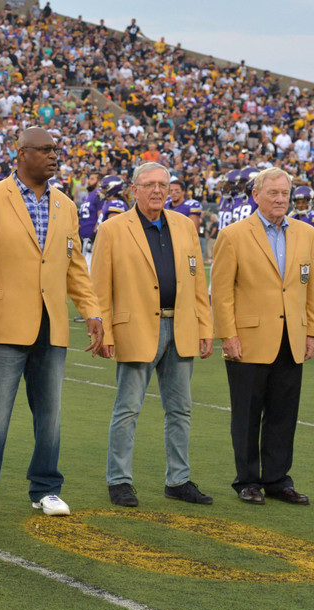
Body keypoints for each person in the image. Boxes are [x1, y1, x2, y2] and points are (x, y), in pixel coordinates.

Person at [0, 127, 103, 519]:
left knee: (50, 414)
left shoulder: (65, 206)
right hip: (0, 323)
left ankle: (46, 488)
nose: (54, 156)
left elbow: (75, 267)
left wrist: (92, 310)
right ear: (21, 154)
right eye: (45, 150)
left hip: (51, 324)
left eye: (56, 150)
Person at [91, 162, 214, 507]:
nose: (158, 190)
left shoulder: (183, 225)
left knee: (181, 409)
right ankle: (119, 480)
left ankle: (178, 479)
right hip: (136, 328)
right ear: (134, 190)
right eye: (149, 185)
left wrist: (205, 326)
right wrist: (106, 331)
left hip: (182, 325)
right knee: (127, 408)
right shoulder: (113, 229)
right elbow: (100, 287)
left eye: (163, 184)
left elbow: (198, 281)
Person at [211, 167, 314, 506]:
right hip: (248, 339)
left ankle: (277, 479)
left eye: (284, 193)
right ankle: (247, 480)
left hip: (292, 337)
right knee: (246, 414)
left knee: (283, 414)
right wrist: (227, 335)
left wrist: (311, 331)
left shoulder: (306, 233)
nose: (279, 199)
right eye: (272, 193)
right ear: (255, 195)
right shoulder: (233, 235)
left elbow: (311, 288)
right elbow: (222, 291)